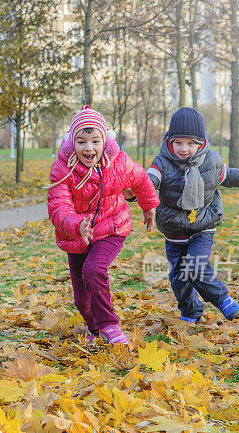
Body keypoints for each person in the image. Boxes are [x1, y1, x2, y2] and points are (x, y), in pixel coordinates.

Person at [48, 106, 159, 345]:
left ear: (105, 142)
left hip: (111, 227)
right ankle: (95, 330)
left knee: (94, 269)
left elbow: (141, 179)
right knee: (81, 300)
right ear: (72, 143)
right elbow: (58, 206)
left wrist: (148, 206)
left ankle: (110, 325)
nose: (89, 148)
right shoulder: (62, 170)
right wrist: (77, 225)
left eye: (95, 141)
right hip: (77, 235)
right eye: (82, 141)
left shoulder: (118, 162)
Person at [147, 107, 239, 323]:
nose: (184, 149)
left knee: (195, 266)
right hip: (173, 228)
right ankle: (190, 312)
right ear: (169, 141)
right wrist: (134, 192)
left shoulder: (211, 160)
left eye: (191, 143)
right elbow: (148, 182)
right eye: (179, 142)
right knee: (179, 278)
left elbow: (227, 175)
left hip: (203, 223)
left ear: (201, 143)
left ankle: (222, 300)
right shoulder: (162, 162)